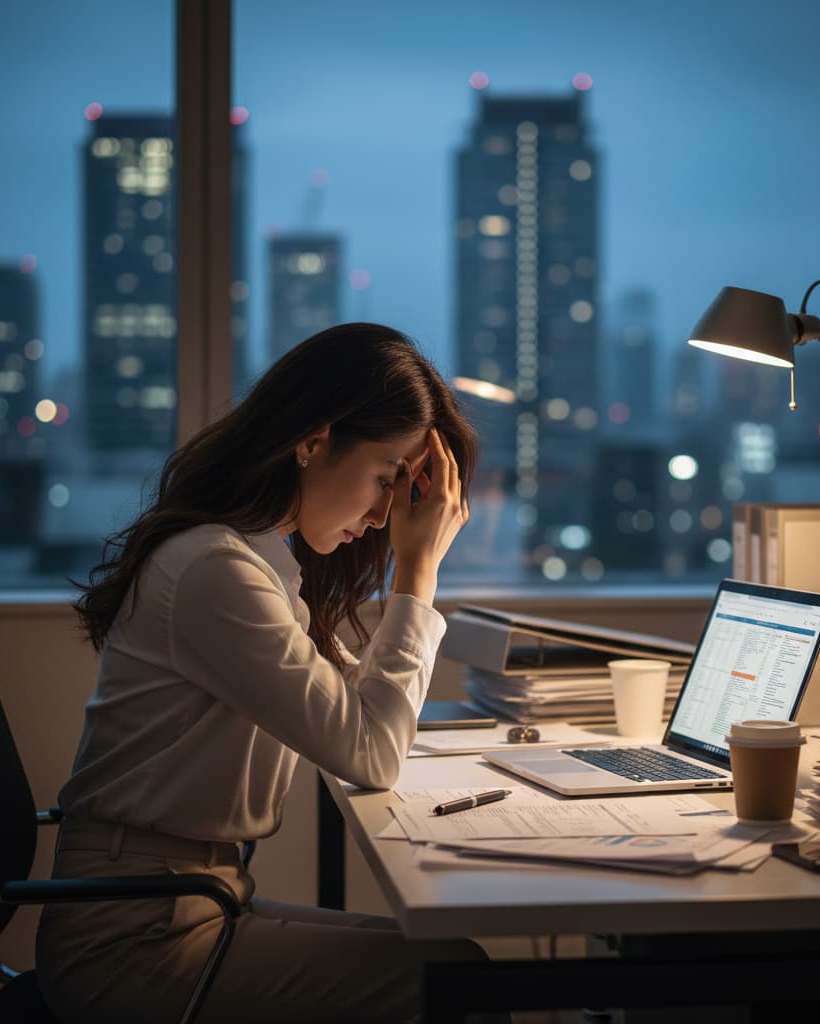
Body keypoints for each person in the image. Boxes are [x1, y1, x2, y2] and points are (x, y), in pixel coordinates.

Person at [35, 323, 497, 1023]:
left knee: (455, 965)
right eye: (384, 480)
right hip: (134, 940)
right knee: (453, 981)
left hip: (194, 902)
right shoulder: (217, 570)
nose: (383, 518)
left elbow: (357, 715)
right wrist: (418, 569)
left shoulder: (257, 564)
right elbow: (371, 751)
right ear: (313, 439)